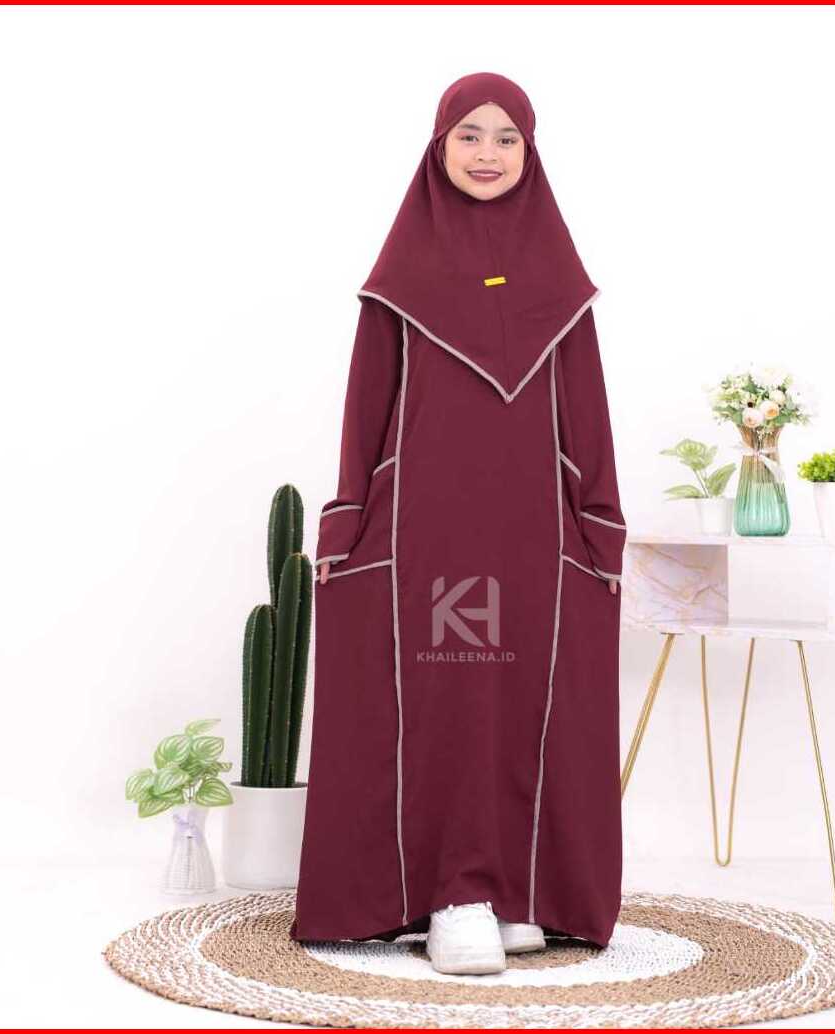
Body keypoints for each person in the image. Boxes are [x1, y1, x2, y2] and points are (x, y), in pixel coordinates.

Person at [290, 71, 626, 976]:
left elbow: (586, 413)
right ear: (438, 147)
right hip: (422, 528)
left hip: (535, 529)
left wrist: (599, 527)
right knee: (447, 698)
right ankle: (454, 895)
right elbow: (368, 408)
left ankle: (516, 891)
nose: (487, 153)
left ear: (530, 151)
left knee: (517, 699)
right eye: (469, 135)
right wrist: (348, 522)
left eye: (507, 137)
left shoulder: (561, 283)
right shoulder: (400, 280)